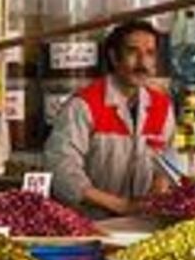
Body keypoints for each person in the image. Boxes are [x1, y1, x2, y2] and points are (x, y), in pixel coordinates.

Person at [44, 19, 175, 216]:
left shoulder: (161, 106)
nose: (142, 63)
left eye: (149, 54)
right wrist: (120, 205)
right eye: (132, 52)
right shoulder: (84, 104)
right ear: (114, 57)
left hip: (142, 222)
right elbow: (61, 168)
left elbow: (168, 159)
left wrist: (159, 187)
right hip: (91, 223)